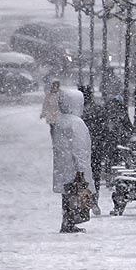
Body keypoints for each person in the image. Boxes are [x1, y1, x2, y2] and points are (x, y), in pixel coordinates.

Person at [52, 89, 94, 233]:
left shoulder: (60, 121)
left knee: (67, 194)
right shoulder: (76, 123)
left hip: (63, 166)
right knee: (76, 194)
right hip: (74, 166)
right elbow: (79, 147)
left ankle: (67, 221)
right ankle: (71, 221)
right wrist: (81, 169)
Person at [81, 87, 111, 206]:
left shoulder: (79, 114)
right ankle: (94, 199)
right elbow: (105, 130)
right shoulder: (98, 110)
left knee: (83, 176)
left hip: (85, 149)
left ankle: (86, 200)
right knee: (95, 175)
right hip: (96, 147)